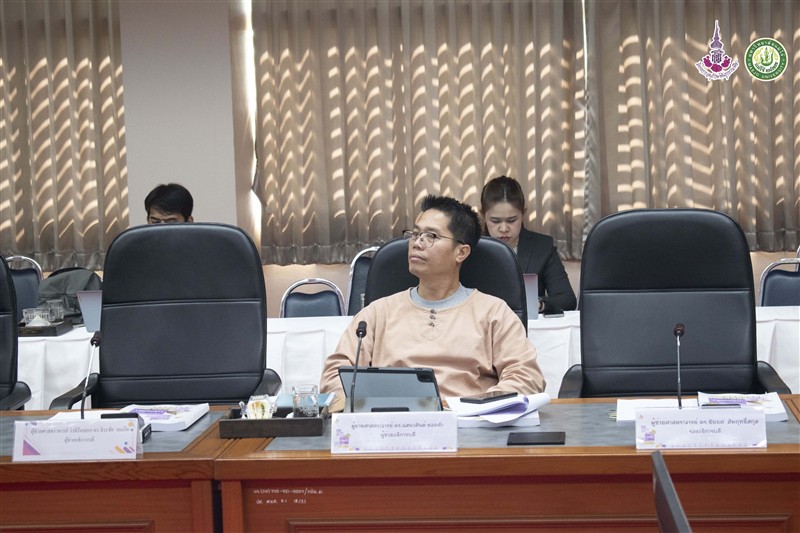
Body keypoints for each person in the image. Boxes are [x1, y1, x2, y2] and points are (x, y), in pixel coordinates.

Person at [320, 194, 545, 403]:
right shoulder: (377, 313)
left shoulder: (494, 312)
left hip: (468, 424)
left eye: (431, 236)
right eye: (415, 234)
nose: (417, 243)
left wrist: (474, 407)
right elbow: (334, 376)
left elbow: (526, 377)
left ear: (461, 252)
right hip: (393, 423)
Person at [480, 176, 577, 312]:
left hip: (527, 323)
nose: (504, 229)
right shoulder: (472, 250)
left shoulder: (542, 247)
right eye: (495, 221)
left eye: (511, 220)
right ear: (483, 215)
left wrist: (538, 304)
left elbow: (567, 299)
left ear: (523, 214)